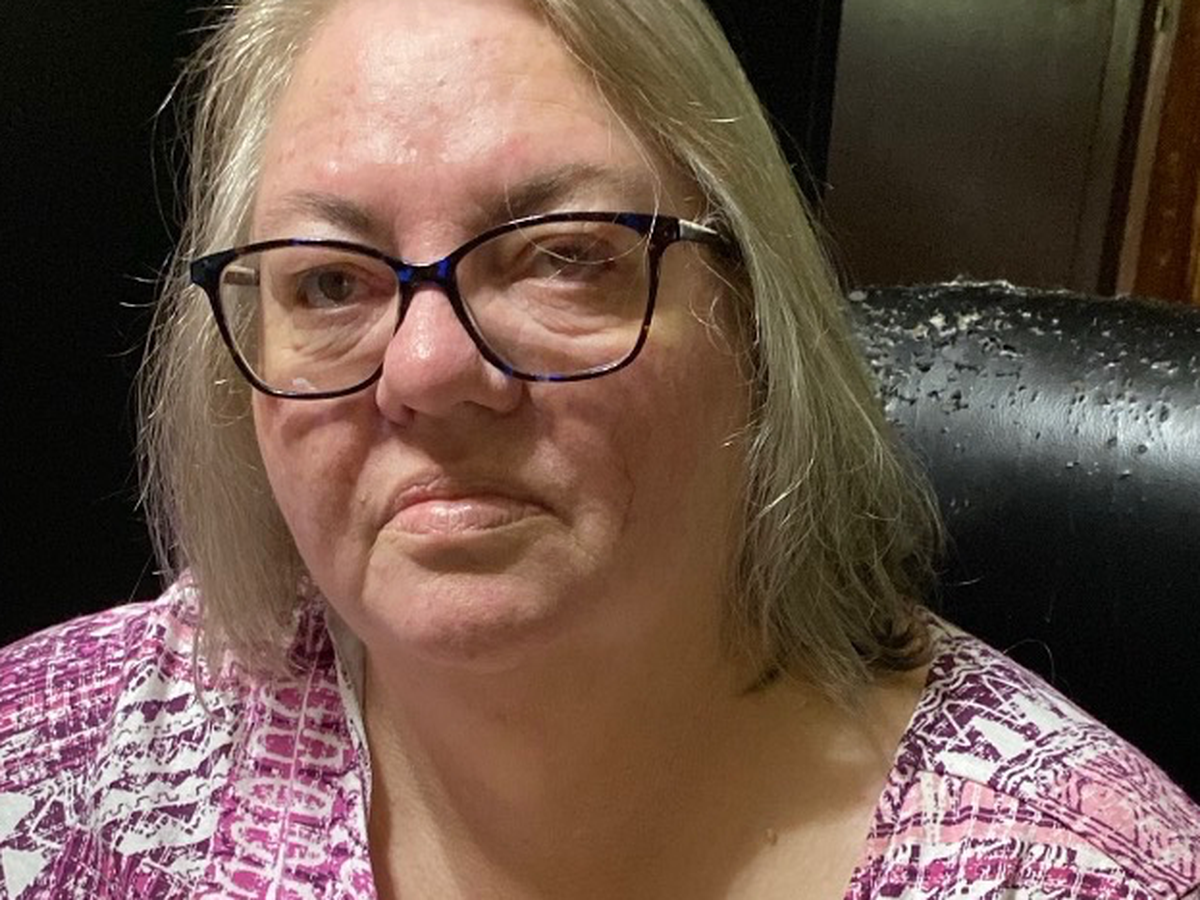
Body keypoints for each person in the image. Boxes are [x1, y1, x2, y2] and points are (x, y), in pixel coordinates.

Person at [1, 0, 1196, 896]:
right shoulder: (63, 767)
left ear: (754, 323)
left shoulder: (1068, 866)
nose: (426, 369)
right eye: (328, 282)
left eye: (564, 255)